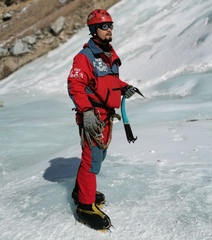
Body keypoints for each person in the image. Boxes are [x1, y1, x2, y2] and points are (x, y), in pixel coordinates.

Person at [67, 9, 136, 230]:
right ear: (94, 30)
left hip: (105, 116)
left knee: (98, 155)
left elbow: (108, 82)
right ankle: (85, 206)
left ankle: (81, 190)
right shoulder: (85, 57)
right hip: (93, 117)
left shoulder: (108, 54)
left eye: (110, 26)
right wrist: (86, 112)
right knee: (92, 159)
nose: (109, 30)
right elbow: (75, 85)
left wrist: (124, 87)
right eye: (104, 27)